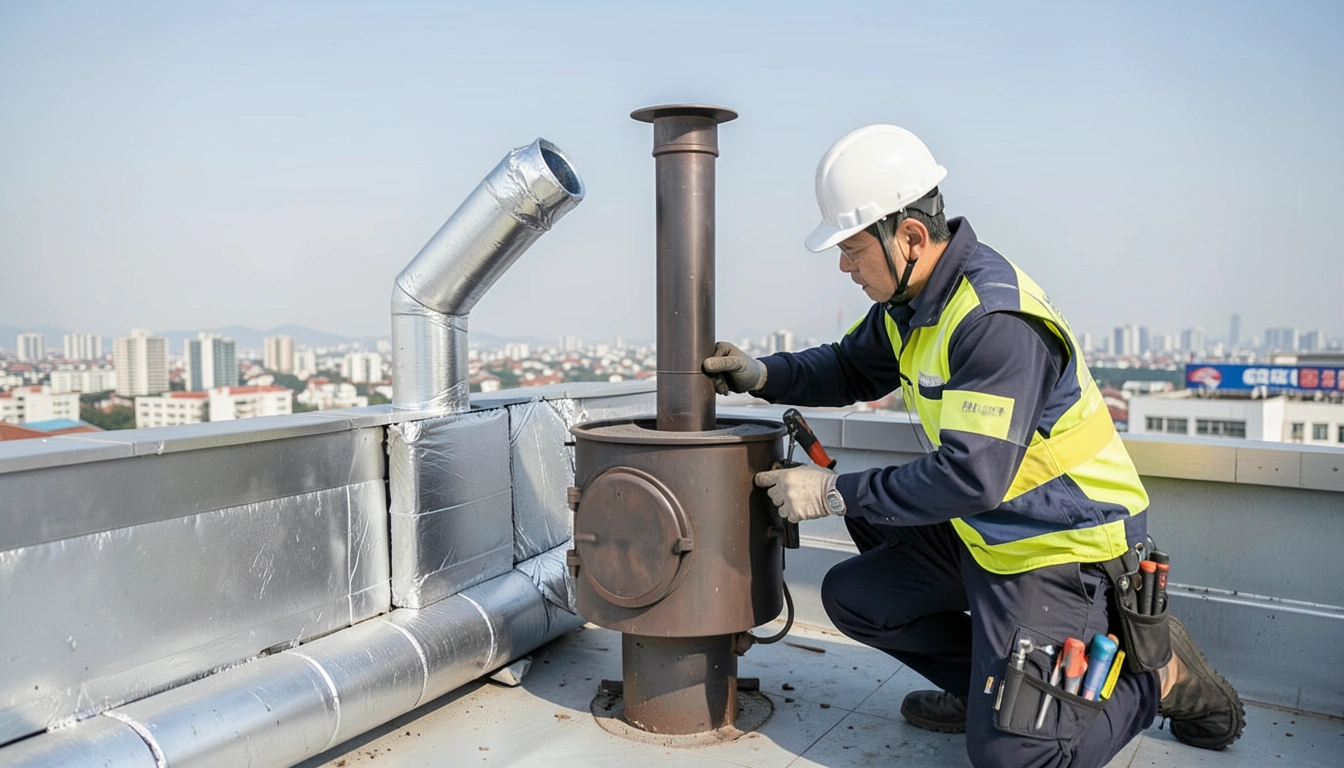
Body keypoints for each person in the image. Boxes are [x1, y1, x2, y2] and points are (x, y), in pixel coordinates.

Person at [703, 125, 1245, 768]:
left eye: (851, 249)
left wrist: (831, 492)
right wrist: (763, 375)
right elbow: (850, 367)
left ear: (909, 237)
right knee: (856, 597)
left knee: (1017, 761)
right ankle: (986, 690)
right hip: (987, 533)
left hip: (1062, 549)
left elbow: (972, 477)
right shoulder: (911, 302)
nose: (845, 266)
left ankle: (1159, 678)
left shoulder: (993, 321)